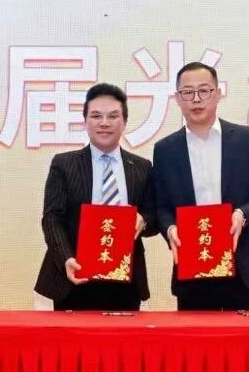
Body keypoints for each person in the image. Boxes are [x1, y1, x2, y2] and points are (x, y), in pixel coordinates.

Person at [152, 62, 249, 311]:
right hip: (192, 271)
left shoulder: (246, 139)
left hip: (244, 269)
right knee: (196, 337)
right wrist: (169, 229)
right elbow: (161, 206)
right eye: (187, 92)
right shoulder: (165, 149)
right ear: (177, 99)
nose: (196, 99)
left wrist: (243, 215)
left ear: (218, 93)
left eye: (204, 90)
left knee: (247, 338)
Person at [34, 83, 158, 311]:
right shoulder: (64, 164)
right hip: (74, 277)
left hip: (126, 281)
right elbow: (52, 218)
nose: (104, 123)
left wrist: (144, 220)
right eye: (96, 116)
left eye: (113, 116)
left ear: (124, 122)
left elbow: (153, 216)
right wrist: (65, 258)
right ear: (85, 121)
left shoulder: (141, 167)